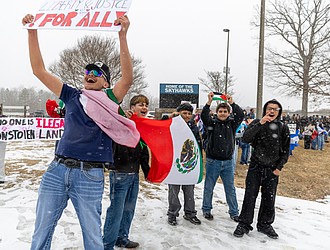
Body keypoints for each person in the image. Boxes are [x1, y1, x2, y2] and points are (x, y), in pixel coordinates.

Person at [22, 14, 133, 250]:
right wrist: (33, 31)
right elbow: (38, 70)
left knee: (93, 238)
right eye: (87, 71)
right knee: (41, 232)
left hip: (89, 176)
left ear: (106, 83)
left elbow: (128, 78)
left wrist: (122, 36)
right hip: (57, 171)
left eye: (97, 73)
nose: (90, 74)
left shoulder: (110, 100)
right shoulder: (73, 95)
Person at [233, 99, 290, 239]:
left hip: (272, 169)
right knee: (250, 196)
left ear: (279, 112)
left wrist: (278, 168)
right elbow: (245, 139)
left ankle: (265, 224)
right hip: (255, 167)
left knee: (269, 198)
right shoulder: (257, 123)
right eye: (269, 108)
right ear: (265, 110)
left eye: (275, 109)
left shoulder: (282, 127)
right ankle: (244, 224)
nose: (272, 111)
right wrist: (261, 123)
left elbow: (285, 151)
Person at [103, 95, 150, 250]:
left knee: (129, 209)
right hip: (120, 172)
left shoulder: (142, 126)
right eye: (141, 104)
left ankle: (122, 238)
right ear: (132, 107)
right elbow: (111, 133)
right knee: (116, 211)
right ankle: (107, 244)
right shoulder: (123, 120)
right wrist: (123, 119)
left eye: (146, 105)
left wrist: (147, 171)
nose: (144, 107)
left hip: (134, 174)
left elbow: (143, 152)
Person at [201, 92, 244, 222]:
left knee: (230, 189)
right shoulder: (211, 123)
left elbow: (240, 115)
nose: (223, 113)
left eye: (225, 111)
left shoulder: (232, 124)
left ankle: (234, 212)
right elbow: (204, 115)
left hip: (227, 162)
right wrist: (209, 102)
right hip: (213, 161)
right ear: (217, 112)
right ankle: (206, 209)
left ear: (228, 113)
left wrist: (232, 102)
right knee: (209, 187)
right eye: (220, 111)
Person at [165, 103, 203, 226]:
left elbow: (198, 144)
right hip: (174, 163)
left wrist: (199, 160)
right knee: (173, 191)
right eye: (184, 113)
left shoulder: (193, 127)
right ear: (178, 113)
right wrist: (169, 117)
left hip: (189, 162)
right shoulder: (171, 124)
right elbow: (160, 126)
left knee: (189, 190)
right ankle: (172, 213)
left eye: (189, 113)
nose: (186, 116)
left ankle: (190, 213)